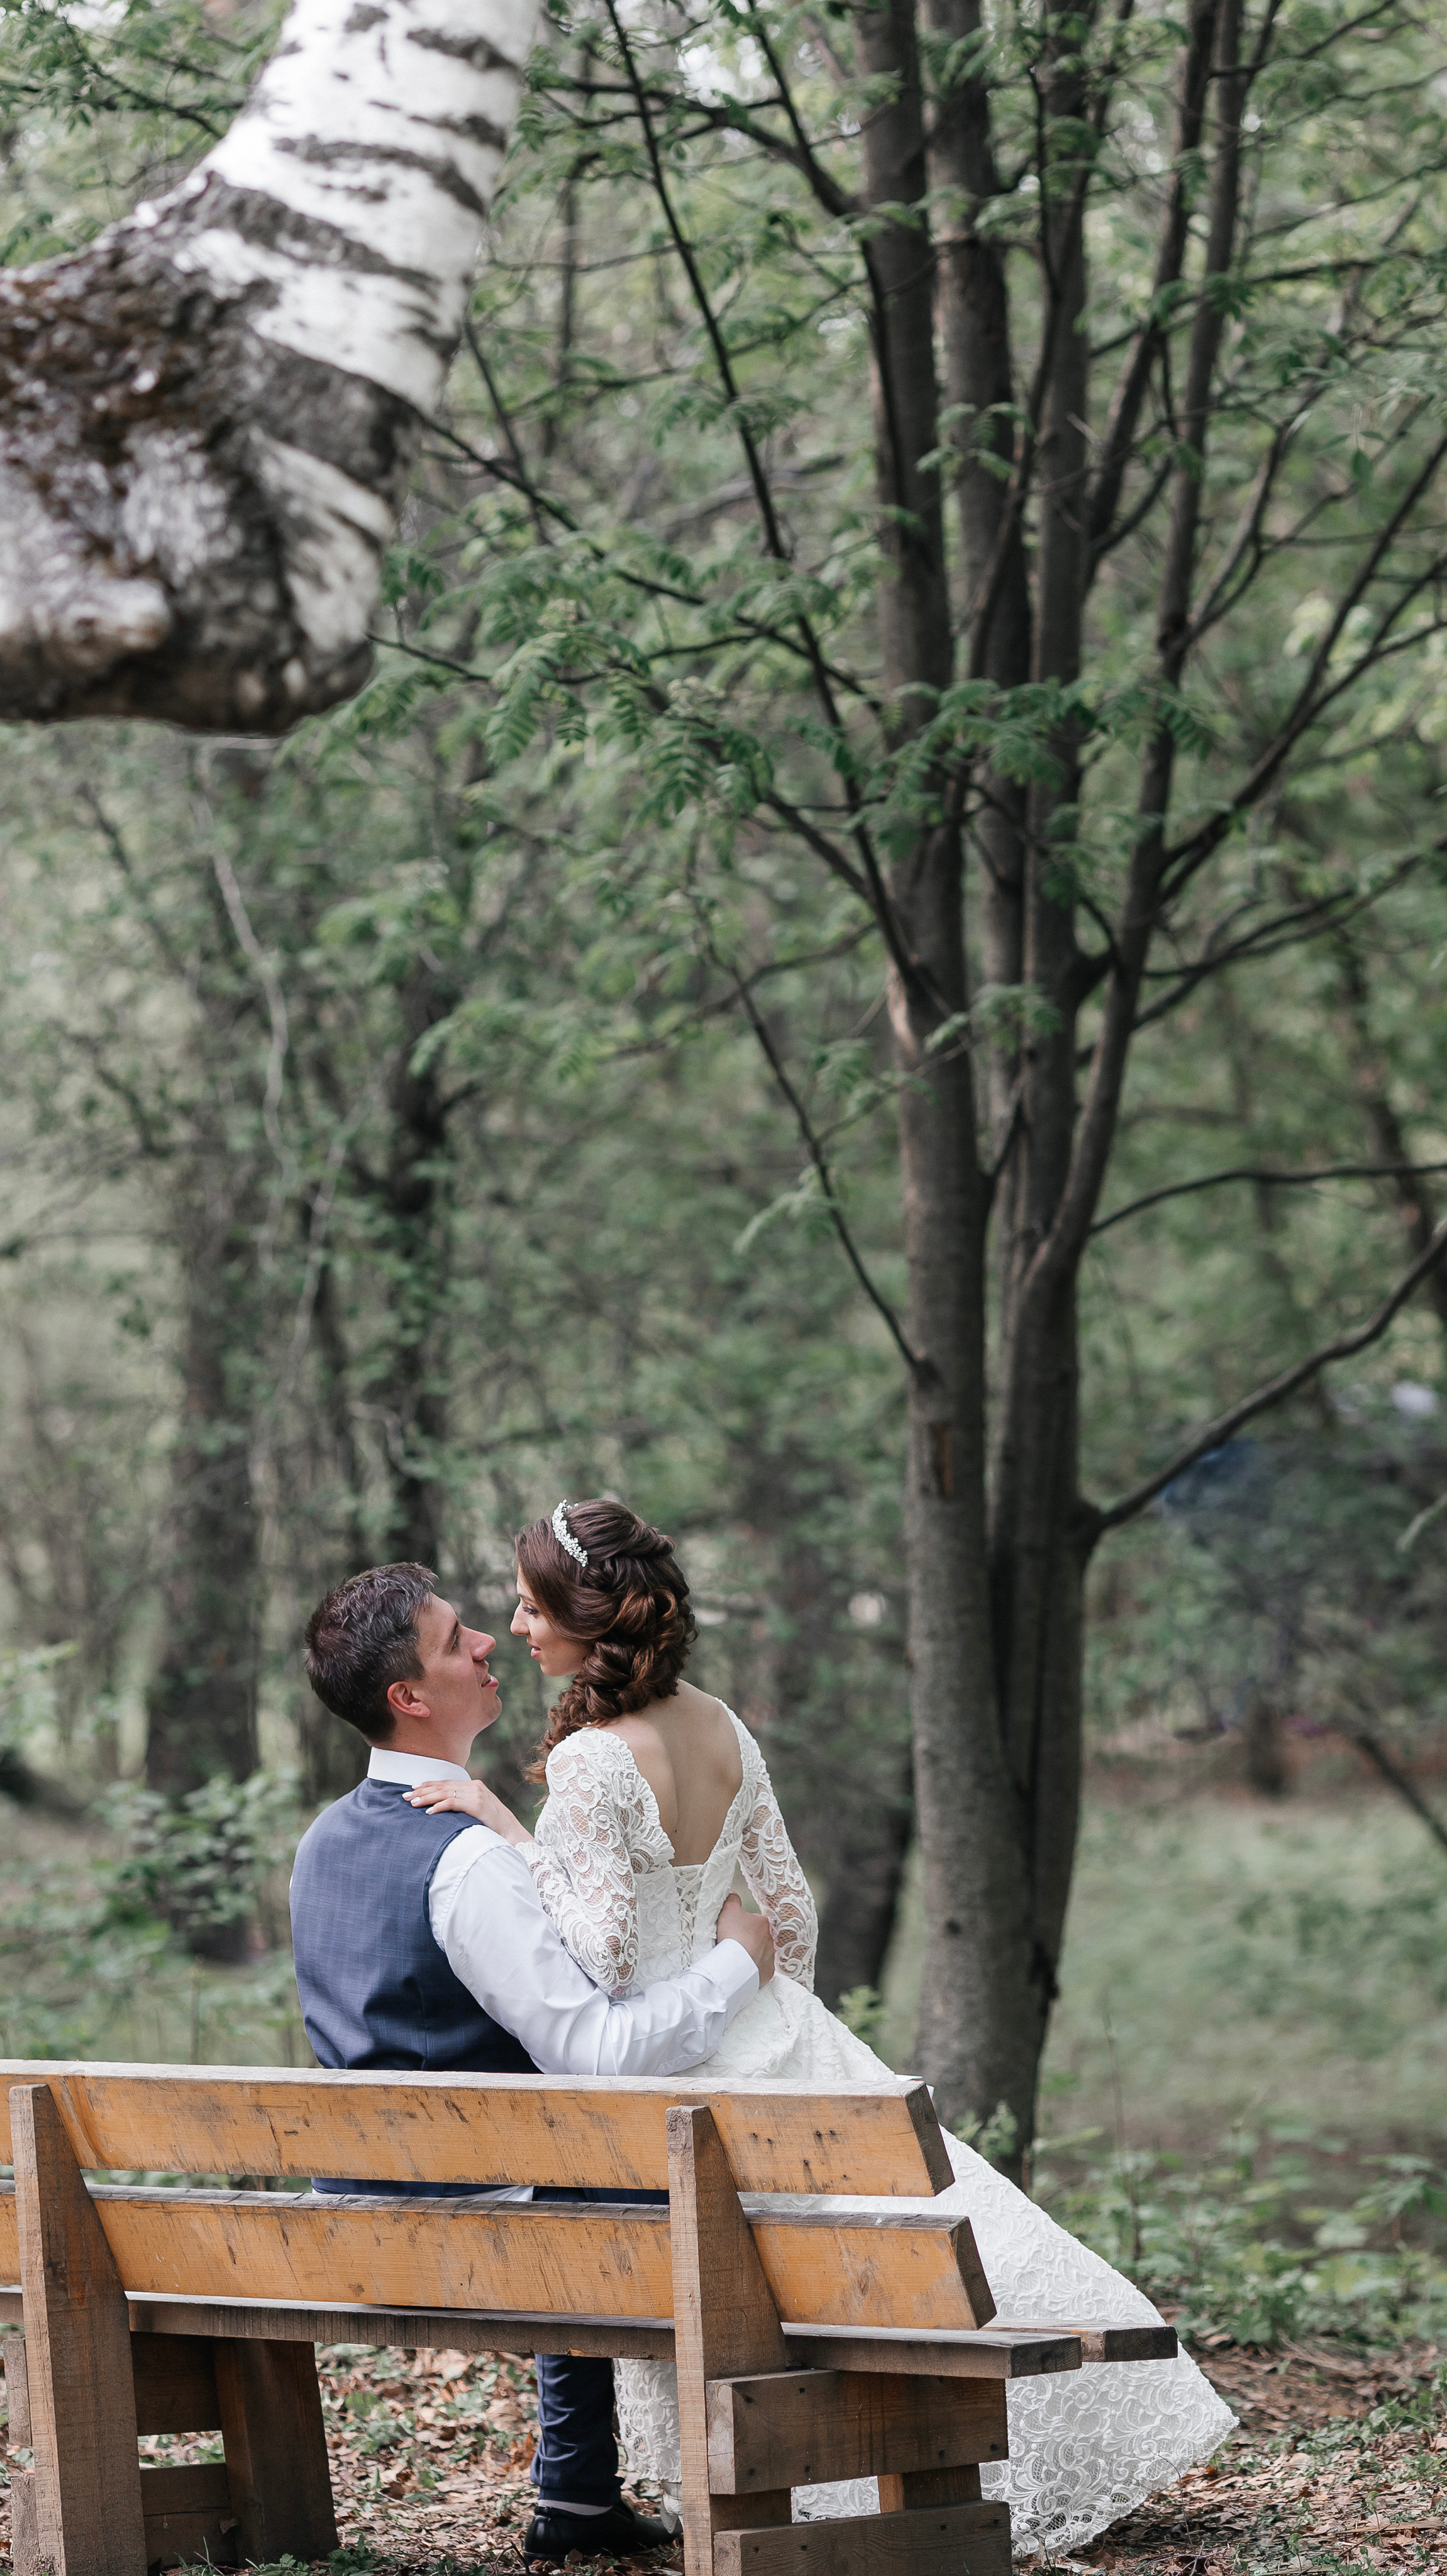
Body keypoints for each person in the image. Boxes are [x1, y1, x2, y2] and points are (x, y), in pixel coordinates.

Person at [406, 1498, 1238, 2560]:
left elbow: (602, 1957)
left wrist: (504, 1828)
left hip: (681, 2065)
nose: (515, 1628)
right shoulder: (721, 1723)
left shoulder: (593, 1762)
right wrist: (774, 2006)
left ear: (588, 1614)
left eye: (529, 1608)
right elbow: (788, 1909)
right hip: (773, 2028)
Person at [292, 1559, 775, 2563]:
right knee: (748, 2199)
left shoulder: (323, 1841)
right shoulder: (460, 1863)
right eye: (455, 1637)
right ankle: (778, 2484)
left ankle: (579, 2497)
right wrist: (737, 1966)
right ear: (410, 1698)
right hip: (476, 2219)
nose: (486, 1642)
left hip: (352, 2214)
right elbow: (596, 2055)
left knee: (571, 2163)